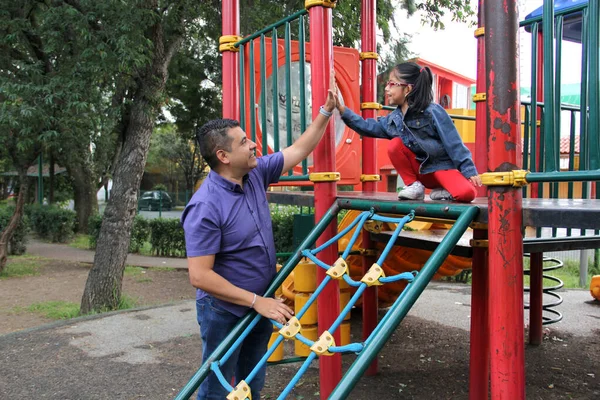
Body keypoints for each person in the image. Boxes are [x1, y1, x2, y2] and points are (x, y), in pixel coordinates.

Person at [181, 89, 337, 400]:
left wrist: (326, 111)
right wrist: (256, 301)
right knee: (218, 388)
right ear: (223, 157)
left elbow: (298, 150)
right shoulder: (205, 207)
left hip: (262, 302)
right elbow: (200, 276)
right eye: (244, 142)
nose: (253, 144)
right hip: (224, 310)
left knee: (252, 380)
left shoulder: (255, 174)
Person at [335, 61, 482, 202]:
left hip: (440, 168)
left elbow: (453, 142)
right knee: (395, 144)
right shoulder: (394, 119)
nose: (387, 89)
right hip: (420, 172)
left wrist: (468, 169)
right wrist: (342, 110)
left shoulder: (432, 112)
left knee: (467, 194)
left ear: (407, 89)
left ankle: (443, 190)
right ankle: (413, 186)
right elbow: (368, 127)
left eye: (392, 84)